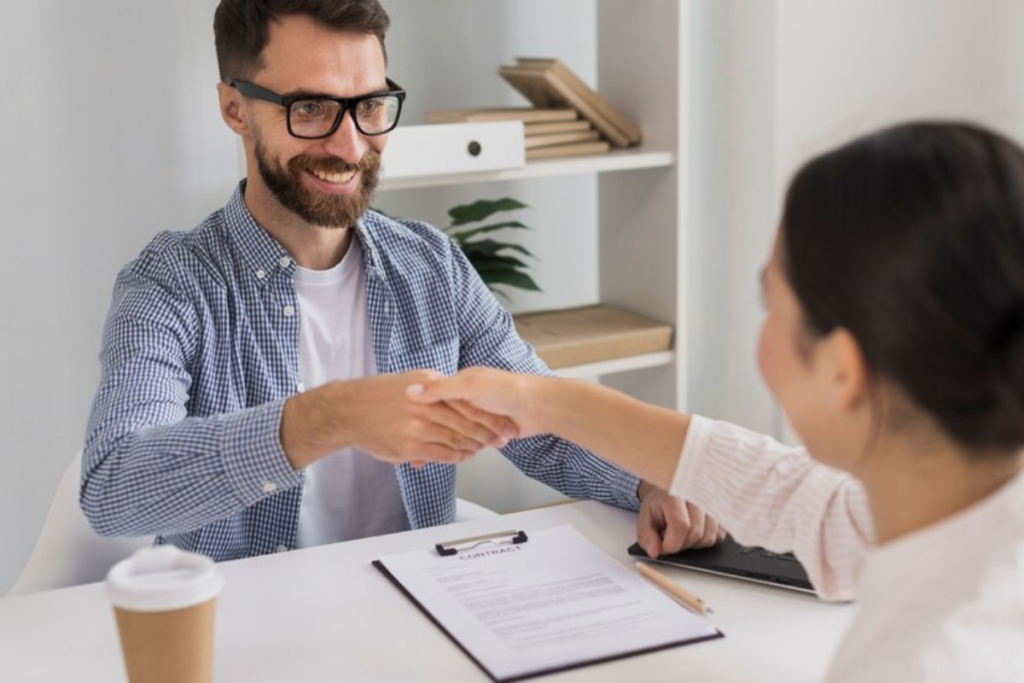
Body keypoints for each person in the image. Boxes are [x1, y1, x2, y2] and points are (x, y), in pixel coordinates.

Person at [80, 0, 722, 561]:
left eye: (370, 106)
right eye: (310, 108)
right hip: (247, 634)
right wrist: (329, 418)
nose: (352, 146)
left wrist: (647, 480)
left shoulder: (430, 267)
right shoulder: (169, 284)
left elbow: (539, 422)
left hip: (420, 611)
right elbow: (113, 488)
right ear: (234, 110)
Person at [408, 122, 1024, 681]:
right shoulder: (945, 510)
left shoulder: (929, 659)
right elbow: (778, 486)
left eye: (771, 307)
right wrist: (540, 400)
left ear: (843, 371)